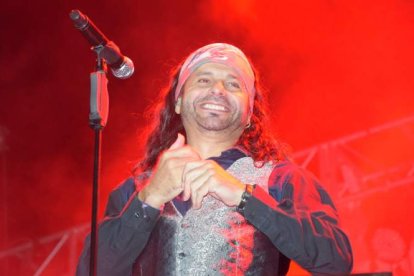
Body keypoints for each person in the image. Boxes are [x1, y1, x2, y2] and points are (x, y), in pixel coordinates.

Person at [77, 43, 353, 275]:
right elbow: (92, 271)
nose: (218, 89)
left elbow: (336, 259)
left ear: (249, 114)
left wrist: (243, 196)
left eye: (234, 84)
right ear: (178, 102)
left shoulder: (279, 179)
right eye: (204, 80)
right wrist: (150, 198)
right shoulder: (134, 191)